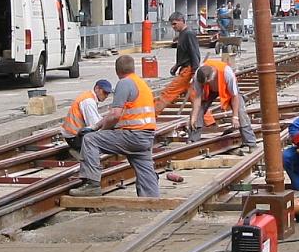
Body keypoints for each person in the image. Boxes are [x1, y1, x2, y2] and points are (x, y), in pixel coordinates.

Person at [70, 55, 160, 197]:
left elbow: (115, 115)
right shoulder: (141, 85)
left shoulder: (124, 83)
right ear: (133, 68)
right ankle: (151, 202)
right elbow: (120, 114)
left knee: (90, 140)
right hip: (146, 137)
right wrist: (95, 127)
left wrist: (98, 132)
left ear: (117, 70)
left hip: (131, 135)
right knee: (145, 169)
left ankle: (92, 184)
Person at [189, 60, 257, 151]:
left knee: (241, 112)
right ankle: (193, 140)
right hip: (209, 91)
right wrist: (193, 117)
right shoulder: (198, 75)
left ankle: (250, 142)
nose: (206, 84)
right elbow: (197, 97)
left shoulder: (227, 73)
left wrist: (235, 117)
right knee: (197, 113)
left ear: (213, 75)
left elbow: (234, 96)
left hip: (228, 90)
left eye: (207, 82)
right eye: (205, 84)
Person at [154, 12, 201, 115]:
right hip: (185, 69)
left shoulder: (189, 34)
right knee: (193, 96)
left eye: (174, 24)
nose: (173, 27)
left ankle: (152, 115)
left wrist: (194, 73)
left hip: (188, 71)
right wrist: (176, 66)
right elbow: (185, 54)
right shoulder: (182, 34)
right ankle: (208, 121)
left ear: (181, 21)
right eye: (172, 24)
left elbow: (195, 53)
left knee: (168, 93)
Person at [61, 79, 113, 160]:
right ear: (97, 89)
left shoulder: (89, 97)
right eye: (105, 92)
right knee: (105, 140)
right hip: (75, 137)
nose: (106, 96)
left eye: (108, 93)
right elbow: (94, 124)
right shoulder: (89, 102)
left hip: (74, 135)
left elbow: (97, 119)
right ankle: (80, 151)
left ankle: (80, 150)